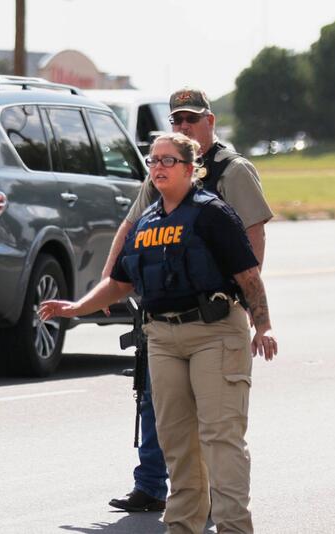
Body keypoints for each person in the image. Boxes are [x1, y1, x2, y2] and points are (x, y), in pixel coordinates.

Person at [42, 133, 276, 533]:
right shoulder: (148, 220)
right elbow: (119, 282)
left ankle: (235, 527)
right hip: (163, 337)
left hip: (215, 331)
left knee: (220, 439)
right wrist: (77, 307)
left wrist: (263, 325)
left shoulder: (213, 214)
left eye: (168, 161)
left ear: (190, 168)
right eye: (153, 161)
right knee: (176, 442)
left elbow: (247, 274)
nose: (159, 168)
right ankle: (182, 527)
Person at [101, 87, 274, 513]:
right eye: (177, 120)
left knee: (214, 418)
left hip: (213, 310)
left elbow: (252, 235)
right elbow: (131, 226)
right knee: (156, 400)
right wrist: (109, 278)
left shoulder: (232, 171)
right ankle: (151, 485)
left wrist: (247, 301)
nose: (183, 127)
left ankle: (215, 501)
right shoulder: (163, 168)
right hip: (162, 305)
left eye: (191, 120)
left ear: (209, 122)